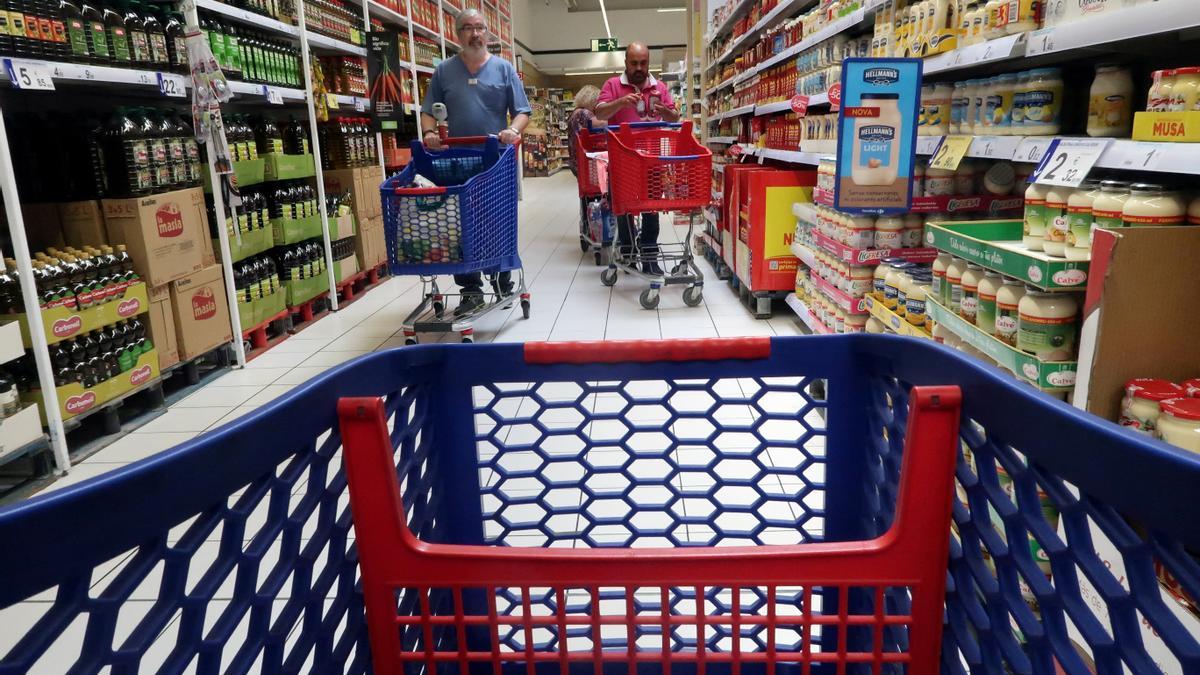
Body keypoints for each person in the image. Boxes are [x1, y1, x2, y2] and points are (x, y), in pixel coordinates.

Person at [420, 8, 531, 315]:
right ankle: (470, 289)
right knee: (460, 224)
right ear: (458, 35)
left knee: (496, 219)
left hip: (493, 160)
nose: (475, 33)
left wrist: (511, 129)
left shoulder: (504, 69)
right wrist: (429, 131)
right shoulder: (444, 71)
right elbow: (428, 110)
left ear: (487, 33)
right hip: (455, 160)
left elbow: (523, 111)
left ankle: (500, 278)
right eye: (468, 28)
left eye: (480, 27)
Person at [596, 42, 680, 276]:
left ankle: (650, 257)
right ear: (626, 62)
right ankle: (629, 252)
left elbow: (674, 118)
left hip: (651, 162)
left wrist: (664, 110)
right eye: (634, 63)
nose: (639, 68)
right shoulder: (613, 85)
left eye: (643, 62)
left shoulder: (659, 87)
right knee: (624, 210)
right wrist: (621, 102)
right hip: (622, 162)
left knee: (651, 210)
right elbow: (600, 112)